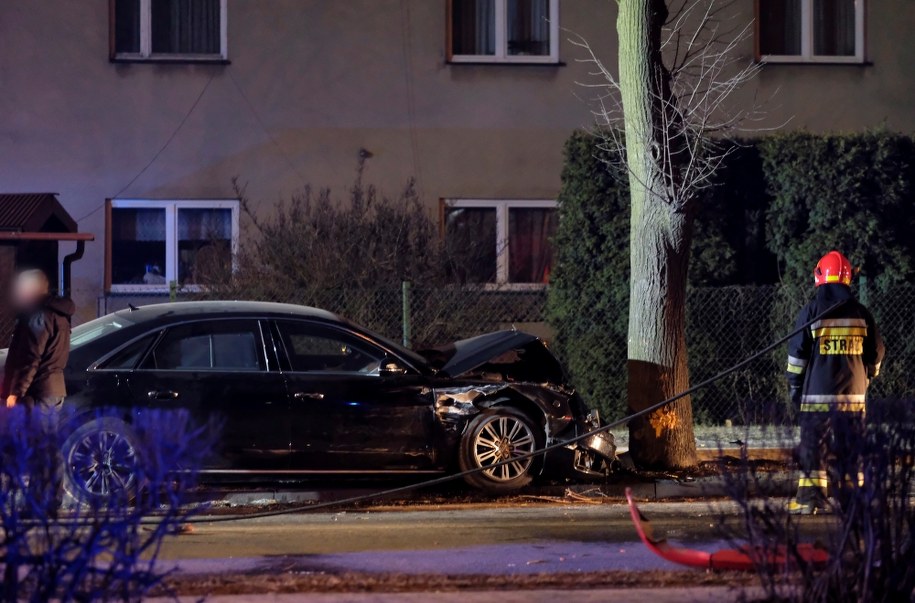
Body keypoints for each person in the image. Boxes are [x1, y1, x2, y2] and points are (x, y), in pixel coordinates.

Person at [785, 251, 885, 515]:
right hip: (853, 398)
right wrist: (869, 376)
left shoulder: (811, 311)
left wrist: (795, 386)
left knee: (813, 447)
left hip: (817, 397)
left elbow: (796, 356)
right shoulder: (861, 313)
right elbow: (876, 352)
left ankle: (810, 500)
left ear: (819, 276)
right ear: (847, 278)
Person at [3, 269, 75, 411]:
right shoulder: (58, 314)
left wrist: (16, 392)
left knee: (35, 426)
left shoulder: (38, 316)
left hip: (38, 392)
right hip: (53, 390)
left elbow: (31, 357)